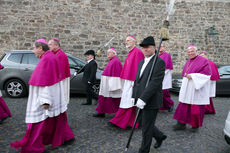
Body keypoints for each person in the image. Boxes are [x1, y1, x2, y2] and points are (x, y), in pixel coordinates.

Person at [10, 39, 75, 153]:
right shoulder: (50, 56)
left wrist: (46, 101)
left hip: (45, 100)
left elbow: (47, 83)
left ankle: (33, 147)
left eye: (34, 48)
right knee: (56, 120)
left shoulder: (47, 59)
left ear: (40, 48)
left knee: (38, 123)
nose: (33, 50)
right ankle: (65, 137)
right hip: (53, 97)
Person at [132, 36, 167, 153]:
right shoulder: (141, 62)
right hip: (140, 98)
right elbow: (137, 81)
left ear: (154, 48)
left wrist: (143, 98)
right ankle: (159, 136)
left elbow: (155, 83)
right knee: (142, 122)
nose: (145, 49)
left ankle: (144, 150)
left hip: (151, 100)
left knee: (146, 128)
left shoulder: (159, 62)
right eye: (143, 47)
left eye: (148, 47)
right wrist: (134, 96)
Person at [173, 45, 211, 132]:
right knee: (183, 107)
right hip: (187, 87)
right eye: (188, 52)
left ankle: (195, 126)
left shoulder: (203, 61)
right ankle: (181, 124)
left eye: (192, 51)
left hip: (196, 89)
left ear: (196, 51)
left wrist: (193, 76)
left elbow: (207, 75)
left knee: (196, 109)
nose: (190, 53)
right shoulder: (189, 61)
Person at [109, 35, 144, 129]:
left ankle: (122, 121)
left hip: (133, 81)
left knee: (128, 101)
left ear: (133, 42)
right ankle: (129, 121)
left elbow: (139, 68)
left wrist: (136, 82)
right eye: (126, 40)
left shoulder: (137, 52)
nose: (126, 42)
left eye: (128, 40)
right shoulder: (131, 52)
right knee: (127, 100)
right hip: (128, 80)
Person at [93, 48, 122, 117]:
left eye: (109, 52)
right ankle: (101, 112)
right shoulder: (112, 60)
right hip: (106, 84)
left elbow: (116, 75)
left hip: (109, 85)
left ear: (114, 53)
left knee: (113, 99)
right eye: (107, 52)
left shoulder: (116, 61)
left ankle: (119, 114)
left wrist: (113, 86)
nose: (107, 54)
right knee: (103, 98)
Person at [48, 37, 70, 105]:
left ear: (56, 45)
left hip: (61, 80)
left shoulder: (61, 55)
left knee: (62, 96)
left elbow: (60, 71)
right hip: (56, 79)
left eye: (50, 44)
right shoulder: (54, 53)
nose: (48, 46)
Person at [158, 43, 174, 112]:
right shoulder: (157, 55)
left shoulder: (166, 55)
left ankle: (170, 104)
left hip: (164, 77)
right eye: (160, 46)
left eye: (162, 46)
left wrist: (159, 74)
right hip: (157, 78)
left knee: (164, 93)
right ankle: (161, 107)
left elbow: (166, 68)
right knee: (158, 94)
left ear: (164, 47)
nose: (161, 48)